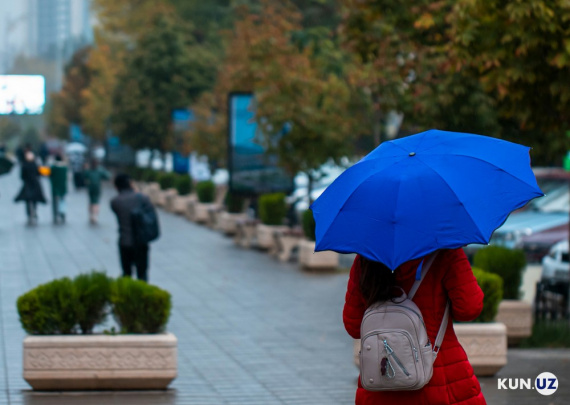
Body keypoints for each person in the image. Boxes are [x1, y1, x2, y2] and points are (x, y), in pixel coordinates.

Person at [343, 249, 486, 405]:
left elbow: (353, 326)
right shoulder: (446, 251)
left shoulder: (367, 257)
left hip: (381, 382)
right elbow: (469, 309)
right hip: (439, 376)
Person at [110, 174, 152, 282]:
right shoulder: (143, 198)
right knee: (142, 274)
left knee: (126, 274)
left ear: (116, 186)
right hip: (141, 242)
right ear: (131, 183)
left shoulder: (115, 201)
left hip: (125, 242)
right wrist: (136, 191)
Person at [14, 151, 47, 225]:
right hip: (35, 183)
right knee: (34, 199)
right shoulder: (35, 164)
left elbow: (22, 176)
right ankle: (34, 211)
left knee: (27, 200)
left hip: (27, 184)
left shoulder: (24, 165)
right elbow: (39, 173)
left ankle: (29, 214)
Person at [83, 159, 110, 224]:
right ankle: (95, 216)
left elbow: (84, 175)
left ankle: (91, 215)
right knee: (96, 202)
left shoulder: (89, 170)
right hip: (97, 188)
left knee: (91, 202)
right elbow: (108, 176)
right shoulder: (100, 170)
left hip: (91, 187)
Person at [49, 154, 68, 224]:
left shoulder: (53, 167)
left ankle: (55, 215)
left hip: (55, 186)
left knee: (55, 202)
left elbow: (49, 174)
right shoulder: (64, 167)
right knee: (62, 201)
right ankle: (63, 214)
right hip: (63, 186)